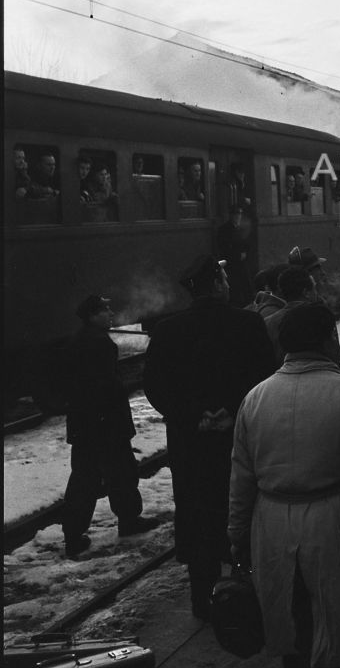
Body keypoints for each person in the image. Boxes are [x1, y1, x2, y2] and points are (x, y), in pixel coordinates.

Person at [229, 303, 340, 668]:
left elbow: (242, 476)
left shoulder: (256, 397)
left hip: (271, 520)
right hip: (334, 518)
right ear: (326, 340)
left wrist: (236, 533)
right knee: (329, 618)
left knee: (289, 614)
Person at [143, 255, 276, 619]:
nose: (229, 283)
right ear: (217, 284)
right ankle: (246, 593)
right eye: (224, 276)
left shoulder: (167, 331)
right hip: (240, 438)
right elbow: (267, 376)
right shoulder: (248, 324)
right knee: (243, 508)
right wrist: (232, 412)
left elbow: (153, 385)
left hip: (190, 444)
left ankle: (202, 600)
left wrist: (193, 416)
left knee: (197, 513)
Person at [61, 295, 160, 558]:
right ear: (93, 315)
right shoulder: (99, 343)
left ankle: (72, 534)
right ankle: (128, 520)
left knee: (84, 477)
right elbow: (107, 387)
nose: (111, 313)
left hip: (86, 425)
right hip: (105, 425)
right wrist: (116, 422)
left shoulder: (80, 339)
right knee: (120, 473)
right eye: (105, 309)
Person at [264, 266, 340, 368]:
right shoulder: (320, 319)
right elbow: (335, 357)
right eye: (314, 288)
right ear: (306, 293)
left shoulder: (267, 323)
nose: (316, 293)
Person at [216, 206, 253, 307]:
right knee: (235, 286)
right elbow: (224, 248)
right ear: (231, 216)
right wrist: (238, 255)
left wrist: (244, 253)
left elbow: (246, 244)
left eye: (239, 214)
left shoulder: (240, 228)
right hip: (232, 263)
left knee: (245, 284)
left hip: (241, 262)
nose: (238, 217)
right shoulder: (224, 230)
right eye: (236, 214)